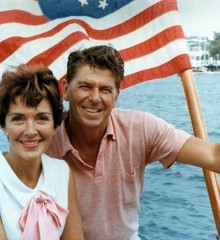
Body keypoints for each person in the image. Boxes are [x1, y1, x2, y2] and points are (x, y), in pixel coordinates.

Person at [45, 45, 220, 240]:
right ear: (66, 89)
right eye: (85, 86)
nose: (95, 98)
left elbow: (213, 155)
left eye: (105, 89)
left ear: (116, 96)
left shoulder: (140, 128)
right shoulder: (44, 139)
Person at [0, 64, 84, 240]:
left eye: (42, 118)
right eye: (18, 119)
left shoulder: (62, 172)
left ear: (55, 126)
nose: (30, 130)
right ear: (4, 126)